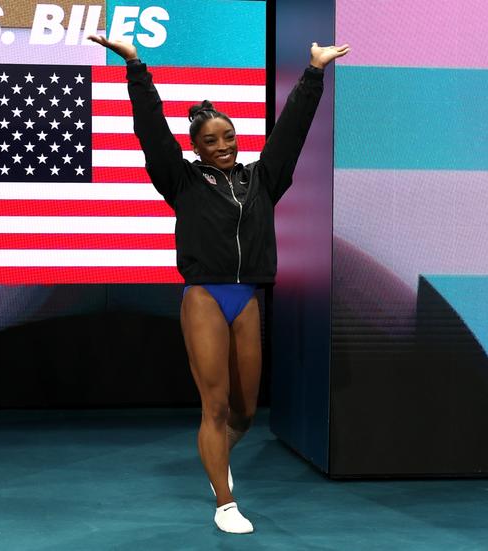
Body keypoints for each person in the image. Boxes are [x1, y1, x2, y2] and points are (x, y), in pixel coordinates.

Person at [89, 34, 349, 534]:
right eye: (212, 140)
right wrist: (135, 65)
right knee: (215, 405)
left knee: (246, 414)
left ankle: (214, 458)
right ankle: (225, 503)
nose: (224, 145)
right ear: (196, 147)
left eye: (228, 136)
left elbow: (291, 132)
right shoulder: (182, 181)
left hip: (245, 299)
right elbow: (151, 132)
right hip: (205, 297)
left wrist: (314, 72)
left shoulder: (263, 179)